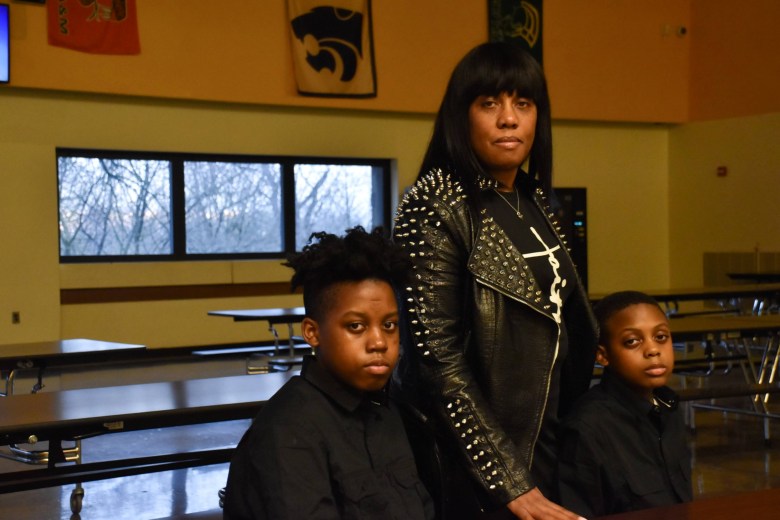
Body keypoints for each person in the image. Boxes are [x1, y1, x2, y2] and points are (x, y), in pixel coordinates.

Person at [392, 41, 597, 519]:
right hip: (477, 461)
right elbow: (434, 358)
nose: (509, 119)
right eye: (490, 104)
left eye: (523, 104)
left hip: (547, 437)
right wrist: (506, 478)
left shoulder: (532, 198)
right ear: (461, 117)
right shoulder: (434, 204)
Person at [222, 226, 434, 519]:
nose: (379, 342)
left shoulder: (388, 411)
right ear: (312, 332)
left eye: (389, 325)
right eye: (356, 326)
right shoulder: (288, 430)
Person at [558, 291, 693, 517]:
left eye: (661, 337)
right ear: (603, 355)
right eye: (632, 341)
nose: (653, 350)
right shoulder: (588, 427)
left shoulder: (669, 407)